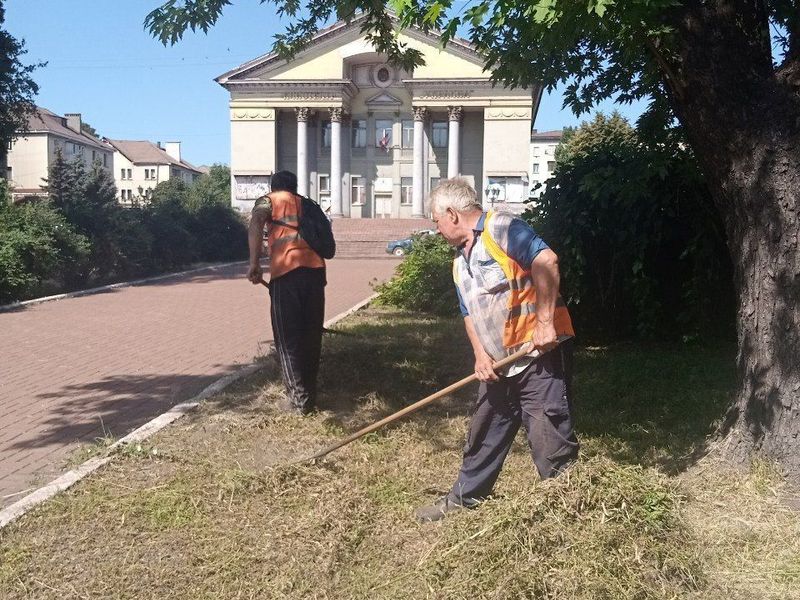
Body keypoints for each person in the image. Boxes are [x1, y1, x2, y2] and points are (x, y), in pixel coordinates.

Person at [415, 178, 579, 522]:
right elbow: (468, 314)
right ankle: (464, 499)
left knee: (549, 439)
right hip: (499, 365)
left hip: (537, 358)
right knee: (484, 433)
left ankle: (570, 510)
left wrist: (546, 322)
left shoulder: (500, 227)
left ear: (452, 214)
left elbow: (546, 261)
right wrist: (480, 355)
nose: (437, 229)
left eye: (436, 221)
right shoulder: (460, 263)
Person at [247, 170, 326, 415]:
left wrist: (254, 263)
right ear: (294, 186)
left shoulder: (267, 201)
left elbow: (256, 223)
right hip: (315, 275)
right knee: (311, 337)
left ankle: (298, 403)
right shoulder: (307, 204)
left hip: (286, 275)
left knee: (287, 338)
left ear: (273, 187)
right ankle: (309, 398)